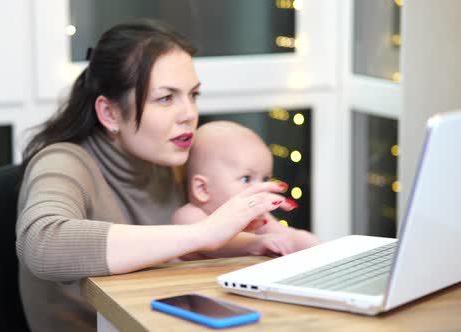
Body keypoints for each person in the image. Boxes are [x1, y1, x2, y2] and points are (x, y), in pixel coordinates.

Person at [16, 19, 295, 331]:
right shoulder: (64, 162)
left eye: (193, 95)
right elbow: (42, 243)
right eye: (166, 98)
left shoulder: (173, 159)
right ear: (109, 113)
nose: (189, 114)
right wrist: (204, 232)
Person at [171, 121, 320, 260]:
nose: (259, 189)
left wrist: (304, 240)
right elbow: (216, 243)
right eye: (246, 179)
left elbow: (283, 233)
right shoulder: (189, 216)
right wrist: (256, 242)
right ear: (202, 189)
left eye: (265, 180)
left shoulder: (255, 214)